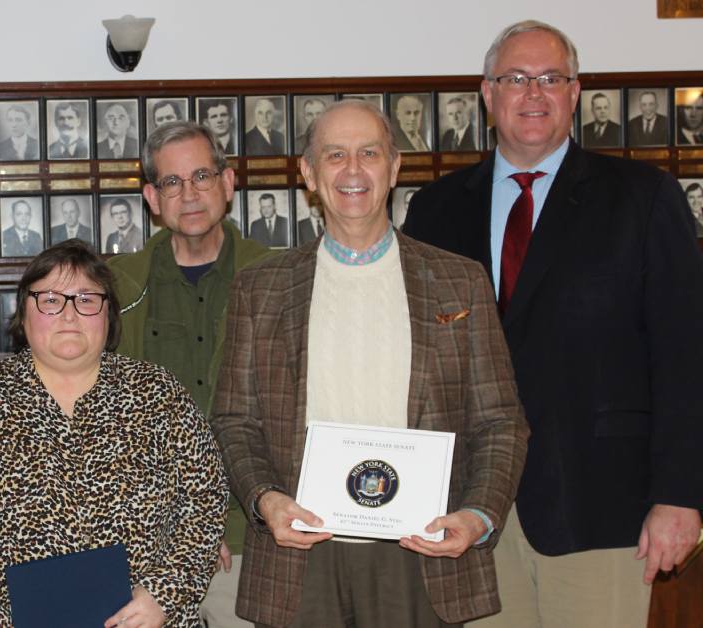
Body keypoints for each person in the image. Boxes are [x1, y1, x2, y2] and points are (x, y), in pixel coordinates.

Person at [403, 21, 703, 628]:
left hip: (602, 503)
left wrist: (682, 495)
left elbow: (686, 356)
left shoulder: (642, 197)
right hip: (469, 509)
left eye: (550, 79)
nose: (533, 93)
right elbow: (418, 360)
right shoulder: (435, 208)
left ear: (575, 92)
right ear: (487, 94)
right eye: (515, 78)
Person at [213, 98, 529, 628]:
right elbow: (233, 420)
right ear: (309, 174)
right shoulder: (260, 288)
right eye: (335, 155)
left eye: (369, 153)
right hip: (301, 553)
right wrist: (265, 501)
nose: (353, 170)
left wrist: (477, 517)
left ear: (395, 167)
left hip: (421, 550)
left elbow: (501, 420)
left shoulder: (459, 280)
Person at [0, 240, 228, 626]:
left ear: (107, 313)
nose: (69, 314)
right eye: (49, 299)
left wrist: (164, 595)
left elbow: (205, 500)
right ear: (23, 315)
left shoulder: (157, 393)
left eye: (86, 299)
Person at [109, 121, 274, 628]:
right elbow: (98, 420)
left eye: (202, 175)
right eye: (172, 182)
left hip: (253, 545)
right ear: (151, 198)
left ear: (228, 183)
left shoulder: (278, 279)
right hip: (144, 553)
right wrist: (185, 531)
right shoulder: (115, 288)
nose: (190, 193)